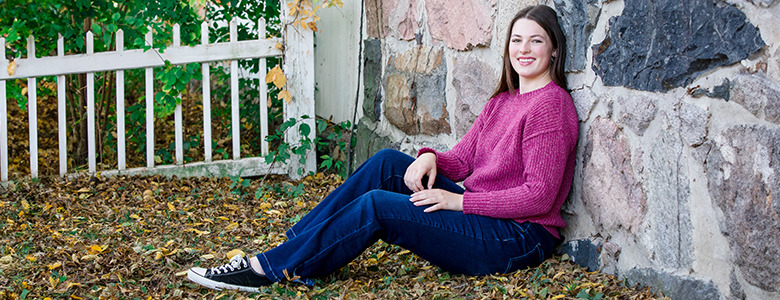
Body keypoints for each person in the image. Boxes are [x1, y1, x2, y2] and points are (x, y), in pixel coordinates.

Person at [187, 4, 578, 292]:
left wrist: (457, 202)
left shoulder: (550, 106)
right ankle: (295, 248)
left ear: (554, 51)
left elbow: (537, 197)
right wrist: (428, 156)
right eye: (517, 40)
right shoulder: (504, 101)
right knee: (389, 163)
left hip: (517, 238)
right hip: (485, 217)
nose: (524, 49)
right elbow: (461, 161)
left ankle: (267, 269)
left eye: (536, 41)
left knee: (377, 205)